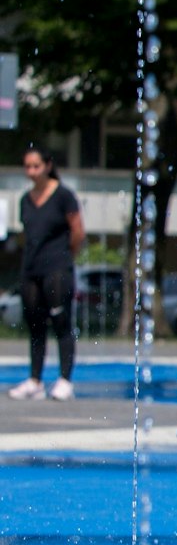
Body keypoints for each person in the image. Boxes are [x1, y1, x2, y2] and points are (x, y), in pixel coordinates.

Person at [9, 144, 84, 401]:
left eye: (36, 166)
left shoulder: (64, 196)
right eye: (27, 166)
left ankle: (64, 380)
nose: (31, 171)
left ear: (48, 166)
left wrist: (65, 257)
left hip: (57, 267)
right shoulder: (25, 200)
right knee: (35, 325)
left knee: (61, 323)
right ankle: (35, 380)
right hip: (31, 268)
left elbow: (78, 231)